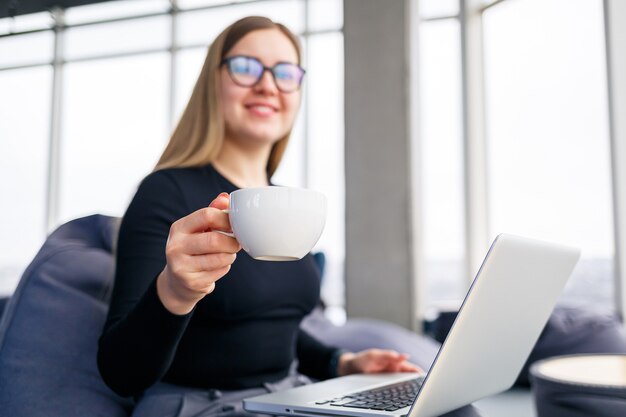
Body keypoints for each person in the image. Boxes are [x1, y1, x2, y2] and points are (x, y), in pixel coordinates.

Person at [97, 16, 435, 417]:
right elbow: (120, 372)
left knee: (449, 409)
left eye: (285, 72)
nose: (268, 84)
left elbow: (275, 335)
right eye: (245, 67)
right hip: (201, 404)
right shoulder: (165, 192)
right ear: (213, 82)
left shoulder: (283, 205)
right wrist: (175, 291)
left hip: (289, 395)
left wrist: (341, 363)